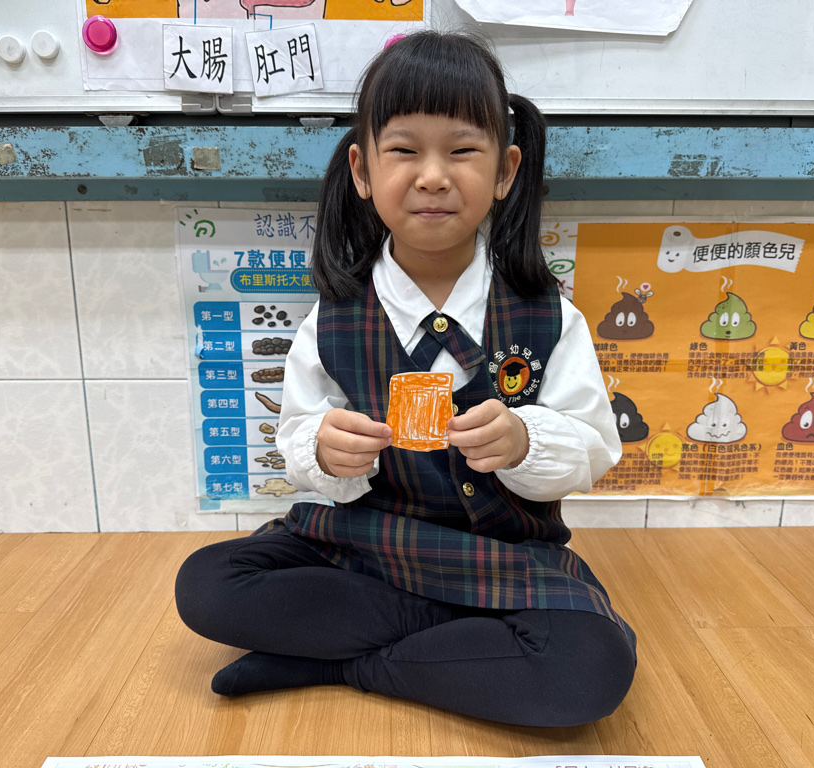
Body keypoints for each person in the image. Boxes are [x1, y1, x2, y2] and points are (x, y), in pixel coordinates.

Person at [175, 30, 636, 728]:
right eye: (404, 151)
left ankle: (338, 663)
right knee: (208, 583)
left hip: (501, 556)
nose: (433, 177)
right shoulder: (334, 319)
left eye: (462, 151)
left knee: (589, 668)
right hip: (361, 545)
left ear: (506, 170)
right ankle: (454, 642)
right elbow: (297, 437)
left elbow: (594, 448)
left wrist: (523, 440)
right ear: (362, 170)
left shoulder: (548, 316)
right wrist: (324, 451)